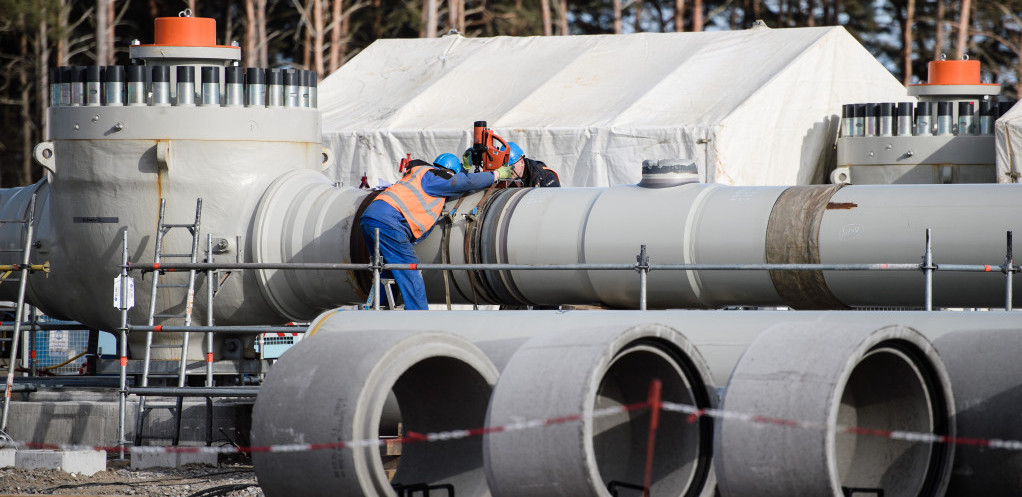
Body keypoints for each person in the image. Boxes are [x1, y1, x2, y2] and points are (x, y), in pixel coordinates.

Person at [360, 154, 514, 309]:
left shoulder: (419, 174)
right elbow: (461, 182)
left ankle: (380, 308)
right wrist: (495, 174)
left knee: (386, 268)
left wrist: (464, 169)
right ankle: (419, 315)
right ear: (449, 172)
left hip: (370, 217)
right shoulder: (434, 176)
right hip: (389, 221)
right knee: (410, 268)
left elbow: (452, 183)